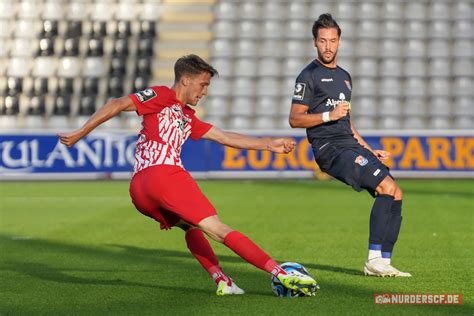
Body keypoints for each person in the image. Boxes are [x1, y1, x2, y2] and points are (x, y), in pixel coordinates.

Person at [58, 54, 318, 295]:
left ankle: (222, 281)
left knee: (190, 226)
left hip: (139, 190)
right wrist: (81, 132)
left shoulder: (187, 116)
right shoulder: (161, 95)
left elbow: (224, 137)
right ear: (185, 80)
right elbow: (118, 103)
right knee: (217, 229)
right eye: (202, 85)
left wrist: (268, 144)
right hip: (165, 175)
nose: (205, 92)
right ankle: (283, 274)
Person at [289, 14, 411, 277]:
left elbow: (347, 123)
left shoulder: (345, 77)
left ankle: (385, 262)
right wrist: (326, 116)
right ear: (314, 42)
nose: (328, 46)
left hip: (349, 145)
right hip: (329, 150)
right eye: (323, 41)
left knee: (396, 193)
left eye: (332, 41)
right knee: (385, 187)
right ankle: (373, 259)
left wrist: (368, 150)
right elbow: (295, 119)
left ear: (340, 41)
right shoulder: (308, 76)